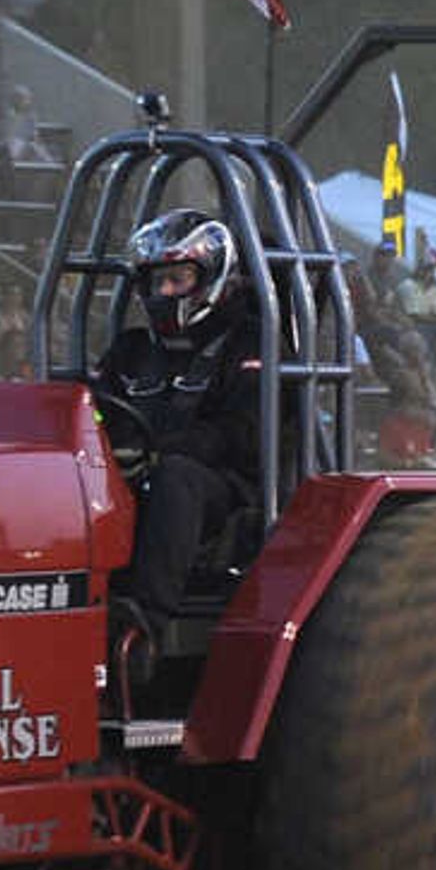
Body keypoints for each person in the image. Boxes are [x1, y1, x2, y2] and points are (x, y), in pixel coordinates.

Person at [85, 210, 265, 625]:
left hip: (224, 494)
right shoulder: (132, 350)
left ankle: (145, 621)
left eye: (177, 279)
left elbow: (243, 437)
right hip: (134, 477)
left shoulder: (250, 345)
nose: (163, 291)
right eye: (155, 281)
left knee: (176, 476)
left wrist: (155, 452)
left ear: (212, 278)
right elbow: (92, 406)